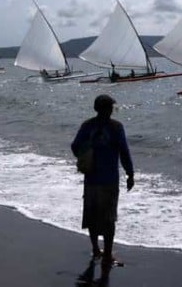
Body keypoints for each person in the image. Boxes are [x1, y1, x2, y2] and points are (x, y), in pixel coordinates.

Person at [71, 94, 134, 267]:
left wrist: (86, 155)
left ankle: (96, 249)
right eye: (111, 107)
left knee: (91, 215)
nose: (112, 109)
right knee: (109, 218)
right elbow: (124, 152)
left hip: (91, 177)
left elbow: (75, 146)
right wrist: (130, 174)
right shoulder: (116, 127)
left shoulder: (87, 126)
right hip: (109, 179)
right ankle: (107, 254)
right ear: (108, 109)